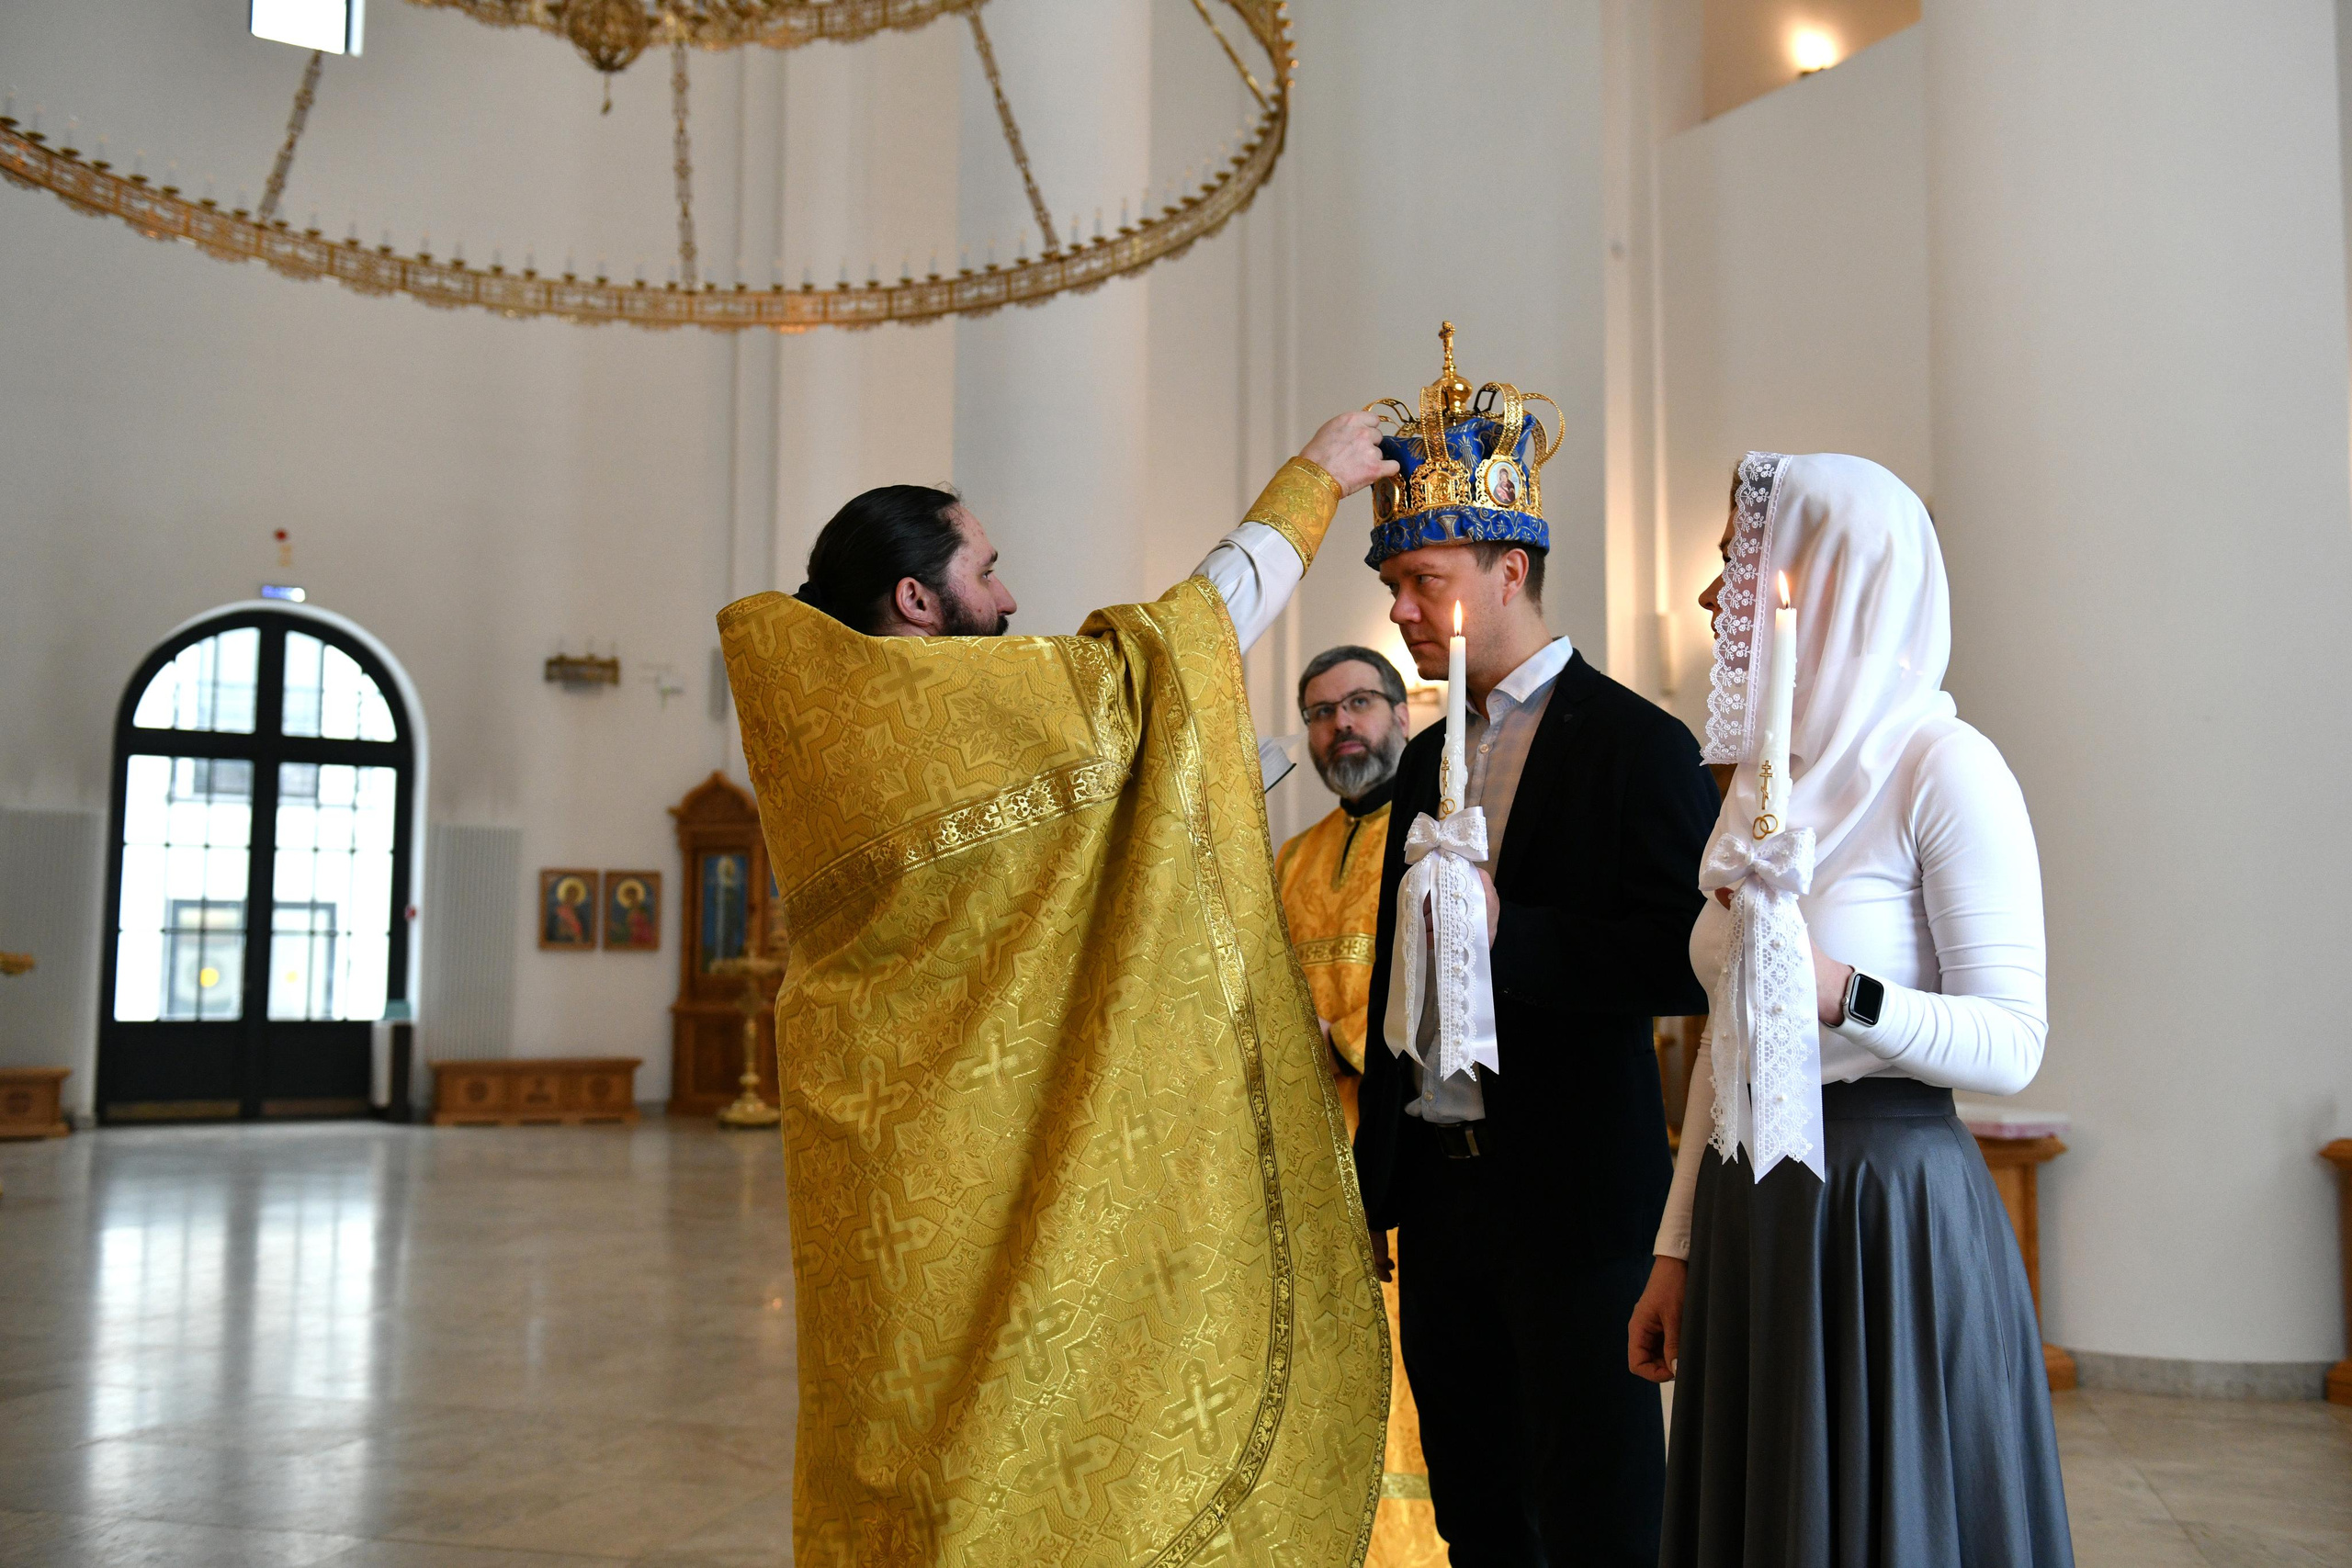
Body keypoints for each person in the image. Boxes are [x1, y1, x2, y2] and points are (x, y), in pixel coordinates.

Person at [719, 413, 1398, 1567]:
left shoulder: (841, 740)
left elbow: (1104, 812)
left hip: (903, 1175)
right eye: (985, 570)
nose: (1011, 597)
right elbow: (1172, 654)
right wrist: (1312, 484)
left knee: (925, 1438)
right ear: (917, 602)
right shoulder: (937, 719)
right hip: (972, 1158)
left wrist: (1235, 773)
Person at [1627, 452, 2072, 1568]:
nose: (1711, 594)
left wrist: (1842, 993)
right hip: (1745, 1201)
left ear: (1833, 577)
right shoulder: (1756, 793)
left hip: (1882, 1206)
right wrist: (1676, 1248)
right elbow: (1730, 1045)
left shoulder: (1944, 766)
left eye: (1739, 557)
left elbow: (2012, 1042)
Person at [1353, 325, 1719, 1568]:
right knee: (1478, 1508)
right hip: (1444, 1198)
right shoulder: (1418, 755)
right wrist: (1376, 1174)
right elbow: (1391, 985)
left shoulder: (1634, 743)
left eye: (1427, 582)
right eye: (1393, 585)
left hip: (1576, 1194)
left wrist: (1518, 933)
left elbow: (1687, 954)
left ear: (1511, 566)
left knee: (1600, 1508)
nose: (1401, 611)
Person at [1272, 645, 1445, 1567]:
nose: (1342, 726)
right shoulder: (1290, 860)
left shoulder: (1435, 842)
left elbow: (1438, 988)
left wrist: (1331, 1038)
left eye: (1360, 704)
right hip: (1305, 1165)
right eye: (1321, 712)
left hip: (1402, 1152)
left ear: (1400, 715)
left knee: (1411, 1376)